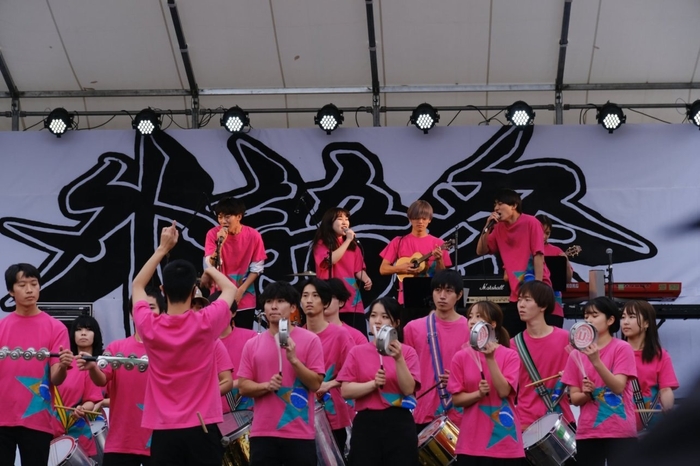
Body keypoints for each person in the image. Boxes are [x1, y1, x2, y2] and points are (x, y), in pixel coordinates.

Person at [132, 221, 237, 466]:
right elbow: (230, 289)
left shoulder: (149, 325)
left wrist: (162, 249)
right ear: (194, 290)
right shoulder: (207, 322)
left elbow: (137, 285)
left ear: (162, 290)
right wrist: (209, 268)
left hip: (164, 429)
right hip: (202, 426)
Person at [237, 281, 324, 466]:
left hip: (299, 434)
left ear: (293, 307)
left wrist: (294, 360)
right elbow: (243, 386)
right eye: (269, 301)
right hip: (263, 434)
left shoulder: (311, 340)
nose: (274, 306)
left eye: (280, 301)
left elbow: (316, 384)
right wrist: (266, 386)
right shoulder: (252, 344)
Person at [0, 263, 73, 465]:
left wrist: (63, 366)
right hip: (2, 416)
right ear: (10, 291)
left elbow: (56, 379)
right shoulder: (2, 327)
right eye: (22, 285)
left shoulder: (56, 328)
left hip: (37, 417)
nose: (30, 290)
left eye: (34, 284)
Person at [338, 297, 421, 466]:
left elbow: (408, 389)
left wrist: (398, 359)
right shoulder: (357, 352)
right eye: (373, 315)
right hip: (366, 424)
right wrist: (373, 384)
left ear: (396, 323)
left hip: (399, 422)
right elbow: (345, 391)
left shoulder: (407, 352)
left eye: (384, 317)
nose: (377, 321)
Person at [561, 297, 637, 466]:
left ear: (610, 320)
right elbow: (574, 398)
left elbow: (618, 387)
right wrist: (587, 394)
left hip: (620, 432)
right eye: (586, 316)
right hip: (588, 432)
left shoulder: (622, 348)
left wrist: (596, 361)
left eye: (594, 315)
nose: (589, 320)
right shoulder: (576, 354)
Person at [448, 300, 524, 465]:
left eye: (479, 316)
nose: (472, 321)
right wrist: (478, 394)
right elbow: (456, 399)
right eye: (470, 317)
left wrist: (490, 359)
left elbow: (504, 391)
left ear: (493, 324)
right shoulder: (460, 356)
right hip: (471, 443)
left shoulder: (510, 355)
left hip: (504, 442)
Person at [78, 306, 154, 466]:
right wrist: (92, 368)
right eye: (142, 309)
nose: (147, 313)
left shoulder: (167, 350)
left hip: (158, 442)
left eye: (152, 308)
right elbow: (101, 380)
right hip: (120, 443)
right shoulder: (116, 348)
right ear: (132, 314)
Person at [476, 189, 552, 337]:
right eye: (495, 205)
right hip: (516, 293)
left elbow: (538, 255)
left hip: (537, 286)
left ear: (514, 205)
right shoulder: (498, 228)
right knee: (512, 337)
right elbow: (481, 250)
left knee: (538, 334)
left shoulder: (531, 222)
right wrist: (486, 227)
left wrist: (538, 287)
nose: (496, 208)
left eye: (500, 204)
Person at [403, 269, 470, 433]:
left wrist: (459, 378)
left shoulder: (469, 329)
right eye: (438, 290)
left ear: (459, 295)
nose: (442, 296)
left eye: (449, 291)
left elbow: (479, 372)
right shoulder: (412, 328)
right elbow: (404, 370)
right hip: (421, 411)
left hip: (459, 414)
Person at [299, 277, 355, 454]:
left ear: (325, 302)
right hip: (300, 417)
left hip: (333, 415)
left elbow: (355, 372)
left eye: (315, 296)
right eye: (305, 295)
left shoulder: (340, 335)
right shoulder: (296, 336)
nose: (309, 300)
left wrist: (328, 384)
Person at [511, 281, 575, 433]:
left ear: (543, 306)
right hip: (526, 422)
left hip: (561, 420)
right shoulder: (514, 344)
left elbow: (584, 376)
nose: (521, 305)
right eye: (519, 300)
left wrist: (571, 377)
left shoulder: (566, 339)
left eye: (527, 300)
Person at [204, 197, 267, 329]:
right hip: (219, 295)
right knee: (218, 334)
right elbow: (210, 265)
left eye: (227, 217)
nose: (223, 221)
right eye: (220, 217)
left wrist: (241, 290)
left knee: (243, 335)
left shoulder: (253, 235)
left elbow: (257, 268)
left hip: (245, 296)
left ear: (239, 216)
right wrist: (220, 243)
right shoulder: (212, 234)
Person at [379, 200, 452, 305]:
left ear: (430, 220)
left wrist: (439, 259)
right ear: (410, 219)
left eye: (424, 218)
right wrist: (400, 268)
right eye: (417, 218)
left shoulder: (439, 244)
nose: (420, 222)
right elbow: (383, 269)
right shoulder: (398, 241)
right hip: (405, 298)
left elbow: (444, 277)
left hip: (432, 299)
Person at [620, 300, 678, 432]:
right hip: (620, 425)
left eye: (632, 317)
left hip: (652, 426)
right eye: (623, 317)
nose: (625, 322)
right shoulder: (614, 352)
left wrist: (668, 408)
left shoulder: (661, 355)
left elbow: (665, 389)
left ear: (646, 323)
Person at [313, 207, 372, 335]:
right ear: (330, 222)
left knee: (357, 336)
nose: (345, 222)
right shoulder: (322, 243)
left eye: (347, 219)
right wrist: (348, 240)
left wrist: (366, 278)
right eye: (340, 219)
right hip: (329, 297)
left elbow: (358, 270)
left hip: (351, 298)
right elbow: (331, 259)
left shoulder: (354, 246)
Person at [53, 316, 104, 458]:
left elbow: (91, 400)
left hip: (79, 432)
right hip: (51, 430)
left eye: (88, 329)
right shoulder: (58, 364)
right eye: (78, 330)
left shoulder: (95, 365)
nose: (83, 333)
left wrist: (82, 408)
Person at [535, 214, 573, 328]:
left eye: (547, 233)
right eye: (541, 232)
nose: (544, 236)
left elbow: (568, 279)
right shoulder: (525, 249)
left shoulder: (556, 251)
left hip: (554, 309)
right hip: (532, 308)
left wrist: (565, 262)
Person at [324, 278, 368, 345]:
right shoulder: (308, 331)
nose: (325, 301)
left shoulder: (357, 337)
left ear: (341, 302)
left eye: (330, 297)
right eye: (322, 297)